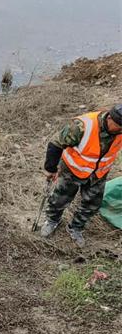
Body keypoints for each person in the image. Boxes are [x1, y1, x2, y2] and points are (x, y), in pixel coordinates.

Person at [40, 104, 122, 246]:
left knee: (92, 204)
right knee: (60, 198)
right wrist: (50, 168)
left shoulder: (119, 130)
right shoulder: (82, 126)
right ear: (110, 119)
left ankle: (76, 228)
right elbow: (56, 144)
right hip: (72, 170)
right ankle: (53, 220)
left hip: (98, 174)